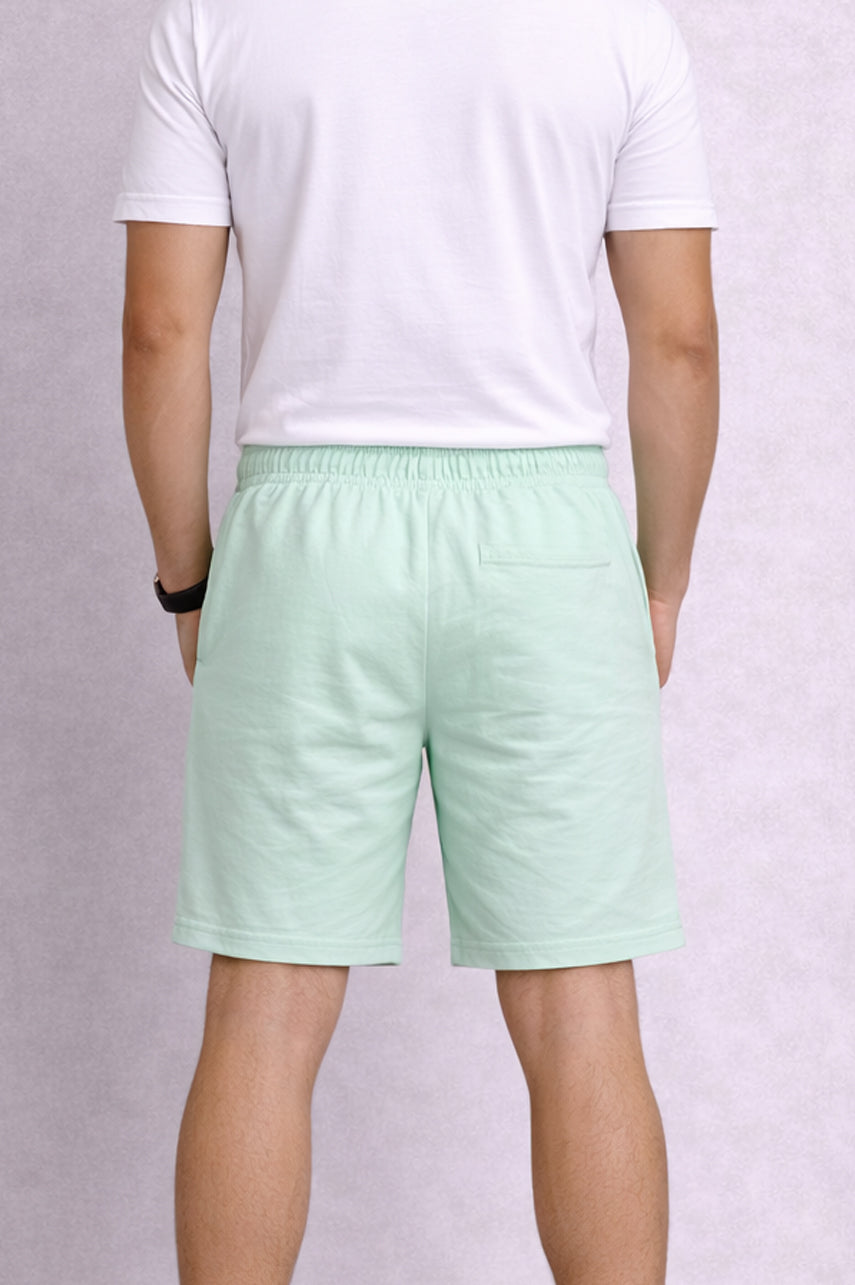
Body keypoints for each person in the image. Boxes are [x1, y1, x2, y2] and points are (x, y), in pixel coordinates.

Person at [113, 0, 719, 1279]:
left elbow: (160, 328)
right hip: (548, 544)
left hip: (306, 543)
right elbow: (679, 341)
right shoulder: (620, 26)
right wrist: (659, 583)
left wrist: (191, 580)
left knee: (264, 1007)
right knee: (581, 1007)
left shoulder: (213, 20)